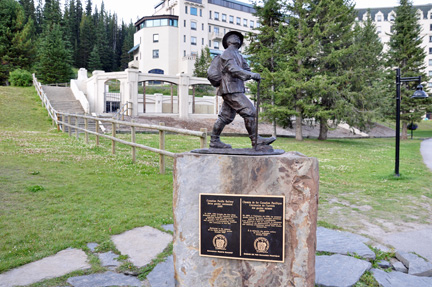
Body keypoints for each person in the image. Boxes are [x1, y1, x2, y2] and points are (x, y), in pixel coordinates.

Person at [209, 31, 276, 149]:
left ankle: (214, 141)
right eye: (232, 37)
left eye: (238, 37)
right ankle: (256, 141)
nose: (236, 38)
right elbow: (232, 68)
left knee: (225, 117)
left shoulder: (239, 56)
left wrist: (253, 74)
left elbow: (246, 69)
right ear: (227, 42)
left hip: (236, 89)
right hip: (230, 89)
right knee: (250, 111)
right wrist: (250, 75)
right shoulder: (227, 53)